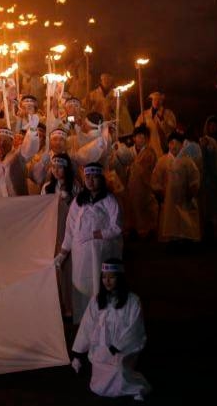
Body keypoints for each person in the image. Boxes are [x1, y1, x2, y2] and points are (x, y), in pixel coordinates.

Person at [71, 259, 151, 401]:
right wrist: (78, 353)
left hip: (123, 349)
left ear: (119, 278)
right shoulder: (97, 300)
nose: (107, 281)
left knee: (118, 371)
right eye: (104, 277)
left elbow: (135, 329)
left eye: (111, 277)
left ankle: (135, 388)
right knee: (99, 381)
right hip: (100, 349)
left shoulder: (132, 301)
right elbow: (87, 326)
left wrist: (117, 347)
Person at [54, 163, 123, 322]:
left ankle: (105, 321)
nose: (90, 181)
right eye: (87, 177)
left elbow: (116, 226)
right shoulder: (78, 201)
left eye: (94, 177)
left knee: (101, 285)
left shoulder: (109, 199)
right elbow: (70, 229)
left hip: (101, 254)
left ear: (101, 179)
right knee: (82, 286)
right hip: (81, 256)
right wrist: (63, 254)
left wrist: (94, 234)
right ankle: (84, 321)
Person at [42, 153, 80, 318]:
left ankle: (70, 307)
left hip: (70, 232)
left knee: (70, 270)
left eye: (60, 167)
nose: (56, 171)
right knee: (55, 270)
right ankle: (57, 306)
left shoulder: (75, 187)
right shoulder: (47, 188)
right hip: (53, 232)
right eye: (54, 167)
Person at [151, 131, 201, 246]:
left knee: (185, 222)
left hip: (184, 198)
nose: (173, 146)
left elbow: (194, 178)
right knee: (170, 222)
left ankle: (185, 240)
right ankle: (172, 241)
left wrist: (191, 191)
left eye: (176, 143)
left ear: (182, 145)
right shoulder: (162, 161)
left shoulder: (188, 161)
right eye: (171, 143)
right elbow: (155, 179)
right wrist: (160, 192)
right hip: (168, 199)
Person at [113, 125, 158, 241]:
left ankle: (145, 230)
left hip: (143, 187)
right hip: (129, 185)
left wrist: (132, 165)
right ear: (134, 138)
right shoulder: (130, 151)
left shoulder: (150, 153)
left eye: (143, 137)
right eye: (138, 137)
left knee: (142, 208)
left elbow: (146, 169)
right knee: (130, 207)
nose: (140, 139)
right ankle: (132, 228)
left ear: (147, 139)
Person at [135, 92, 176, 158]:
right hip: (149, 149)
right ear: (152, 101)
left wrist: (162, 120)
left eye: (159, 100)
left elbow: (171, 130)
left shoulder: (168, 114)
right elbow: (137, 129)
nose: (156, 102)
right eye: (155, 99)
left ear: (162, 101)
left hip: (164, 149)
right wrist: (141, 129)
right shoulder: (144, 114)